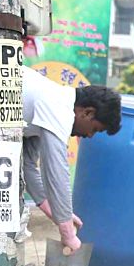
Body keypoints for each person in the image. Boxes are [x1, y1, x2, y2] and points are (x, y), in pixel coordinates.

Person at [22, 69, 121, 253]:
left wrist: (58, 215)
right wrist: (67, 232)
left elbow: (26, 168)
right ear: (88, 113)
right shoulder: (58, 107)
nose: (89, 136)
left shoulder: (49, 107)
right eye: (95, 129)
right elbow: (56, 172)